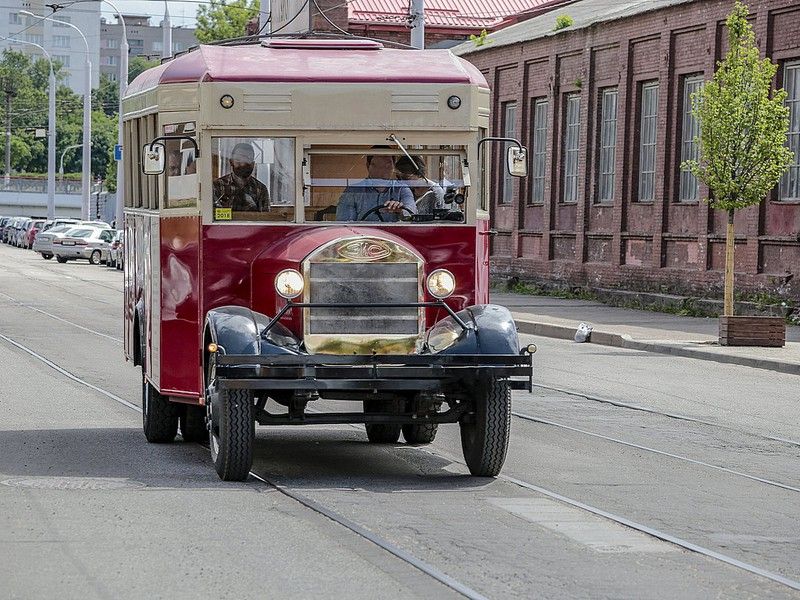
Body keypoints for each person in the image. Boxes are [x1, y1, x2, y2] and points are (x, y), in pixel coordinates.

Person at [335, 152, 416, 222]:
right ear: (368, 166)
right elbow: (345, 224)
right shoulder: (353, 191)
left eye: (387, 166)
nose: (382, 171)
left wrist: (401, 210)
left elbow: (412, 215)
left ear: (393, 167)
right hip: (363, 237)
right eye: (376, 166)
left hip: (392, 238)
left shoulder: (402, 189)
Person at [213, 142, 270, 211]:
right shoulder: (217, 186)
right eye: (239, 160)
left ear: (253, 164)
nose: (243, 164)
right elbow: (211, 215)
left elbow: (264, 217)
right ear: (231, 162)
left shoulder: (261, 189)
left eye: (248, 160)